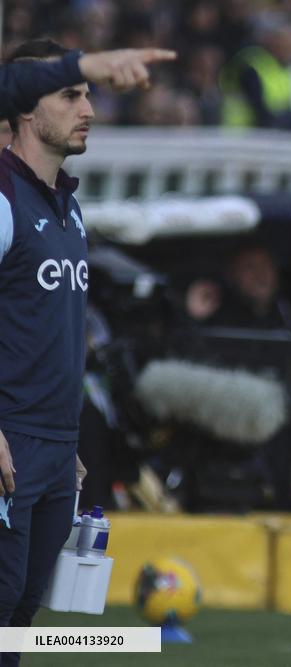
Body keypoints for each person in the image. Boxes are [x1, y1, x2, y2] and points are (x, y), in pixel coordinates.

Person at [0, 38, 132, 665]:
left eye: (89, 95)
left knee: (24, 611)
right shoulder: (1, 197)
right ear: (27, 106)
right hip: (8, 440)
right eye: (72, 95)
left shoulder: (68, 207)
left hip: (53, 445)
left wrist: (64, 439)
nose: (90, 109)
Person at [0, 46, 176, 118]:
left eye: (87, 96)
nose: (88, 113)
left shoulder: (65, 193)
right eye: (70, 96)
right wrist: (79, 68)